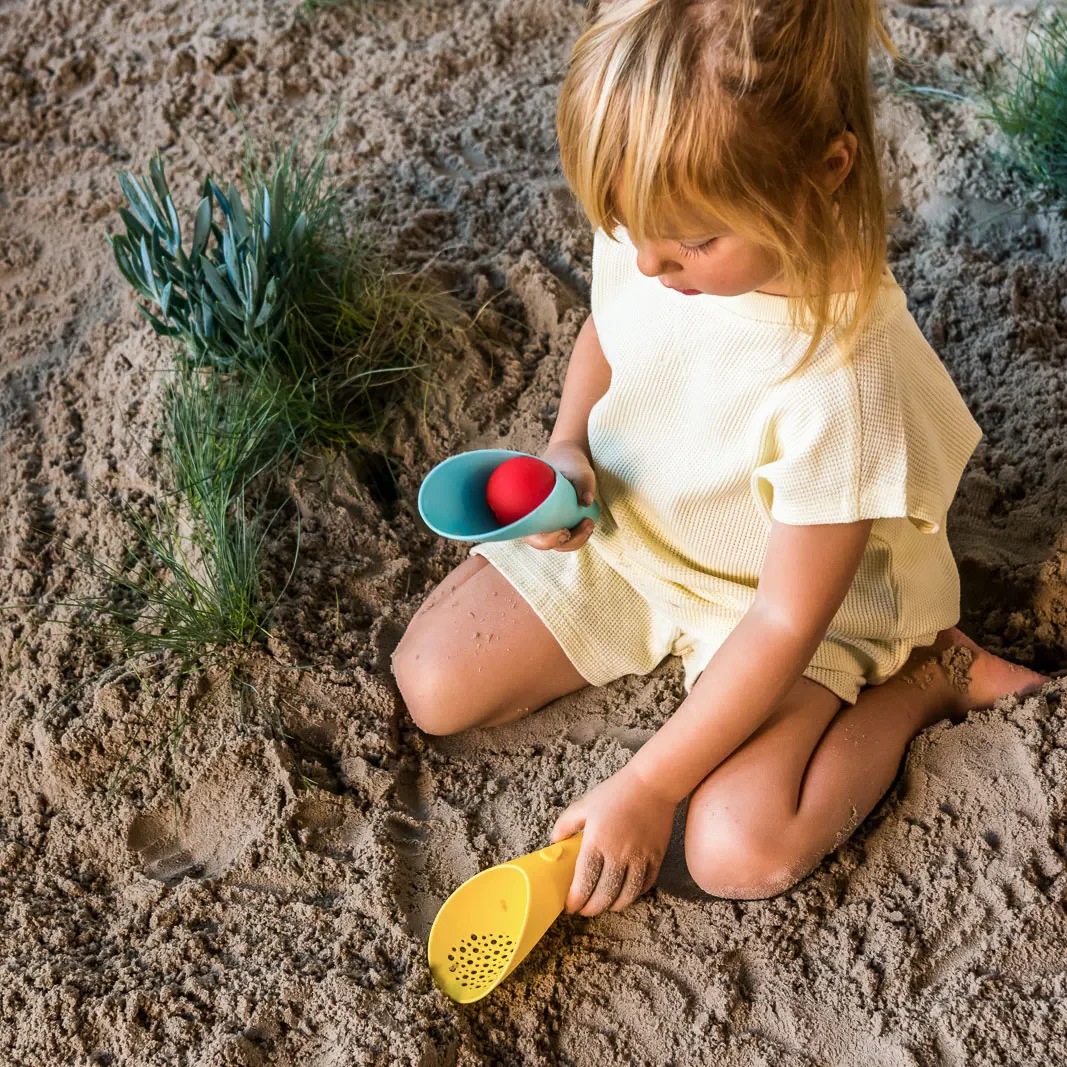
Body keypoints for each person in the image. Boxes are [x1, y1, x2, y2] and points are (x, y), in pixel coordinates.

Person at [391, 0, 1049, 917]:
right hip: (640, 522)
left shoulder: (842, 378)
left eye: (693, 242)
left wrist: (647, 785)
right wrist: (569, 444)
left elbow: (783, 620)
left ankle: (924, 676)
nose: (649, 264)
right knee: (431, 681)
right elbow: (609, 328)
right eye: (626, 228)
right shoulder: (659, 217)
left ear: (823, 171)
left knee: (740, 847)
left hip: (795, 606)